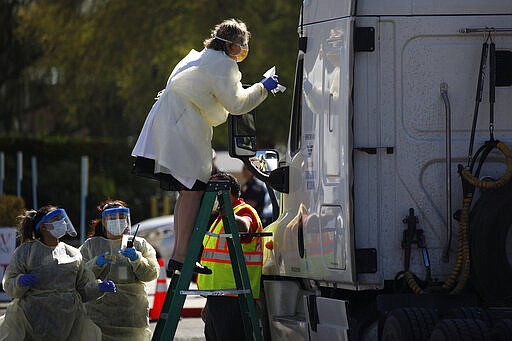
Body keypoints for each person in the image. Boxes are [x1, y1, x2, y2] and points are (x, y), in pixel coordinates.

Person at [131, 18, 279, 275]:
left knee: (185, 192)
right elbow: (237, 105)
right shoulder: (223, 64)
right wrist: (262, 88)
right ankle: (182, 255)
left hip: (172, 123)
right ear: (231, 45)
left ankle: (179, 255)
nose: (242, 50)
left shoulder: (201, 57)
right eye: (241, 45)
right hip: (182, 128)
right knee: (193, 191)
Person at [0, 205, 116, 341]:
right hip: (33, 321)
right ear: (43, 227)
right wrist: (19, 281)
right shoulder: (26, 252)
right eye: (56, 219)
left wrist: (98, 288)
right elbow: (9, 283)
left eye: (62, 218)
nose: (63, 222)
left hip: (69, 322)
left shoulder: (72, 253)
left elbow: (83, 288)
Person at [79, 200, 159, 341]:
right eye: (112, 217)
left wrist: (137, 259)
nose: (118, 220)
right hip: (99, 316)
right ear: (103, 222)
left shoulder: (139, 244)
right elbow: (78, 276)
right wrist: (95, 264)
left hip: (132, 317)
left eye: (122, 217)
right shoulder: (90, 246)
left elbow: (151, 274)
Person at [197, 172, 263, 341]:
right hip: (218, 297)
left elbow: (245, 227)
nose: (208, 194)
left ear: (226, 191)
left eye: (212, 189)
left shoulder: (245, 211)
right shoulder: (219, 219)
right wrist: (208, 302)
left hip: (235, 296)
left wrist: (231, 216)